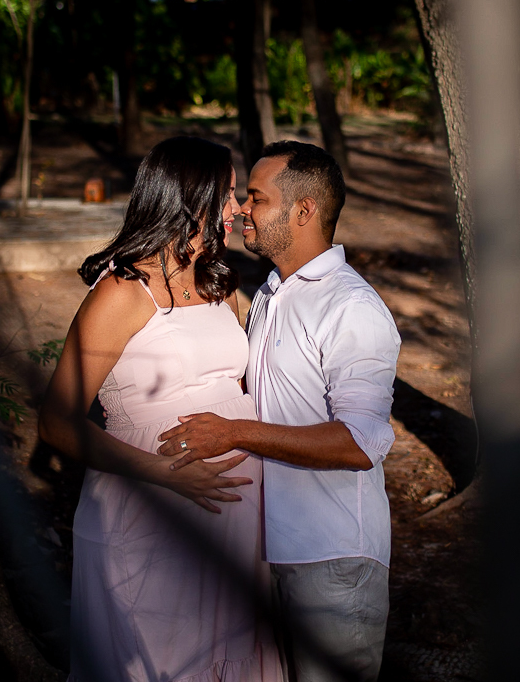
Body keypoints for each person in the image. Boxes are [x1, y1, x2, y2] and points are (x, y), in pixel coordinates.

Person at [38, 137, 283, 682]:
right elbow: (56, 422)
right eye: (229, 194)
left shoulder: (220, 284)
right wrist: (166, 474)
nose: (239, 207)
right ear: (192, 198)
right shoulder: (123, 293)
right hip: (153, 510)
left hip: (238, 520)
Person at [156, 141, 401, 682]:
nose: (242, 210)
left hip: (332, 557)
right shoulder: (271, 290)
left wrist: (234, 432)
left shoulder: (351, 308)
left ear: (304, 211)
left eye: (256, 198)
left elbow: (360, 443)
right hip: (268, 546)